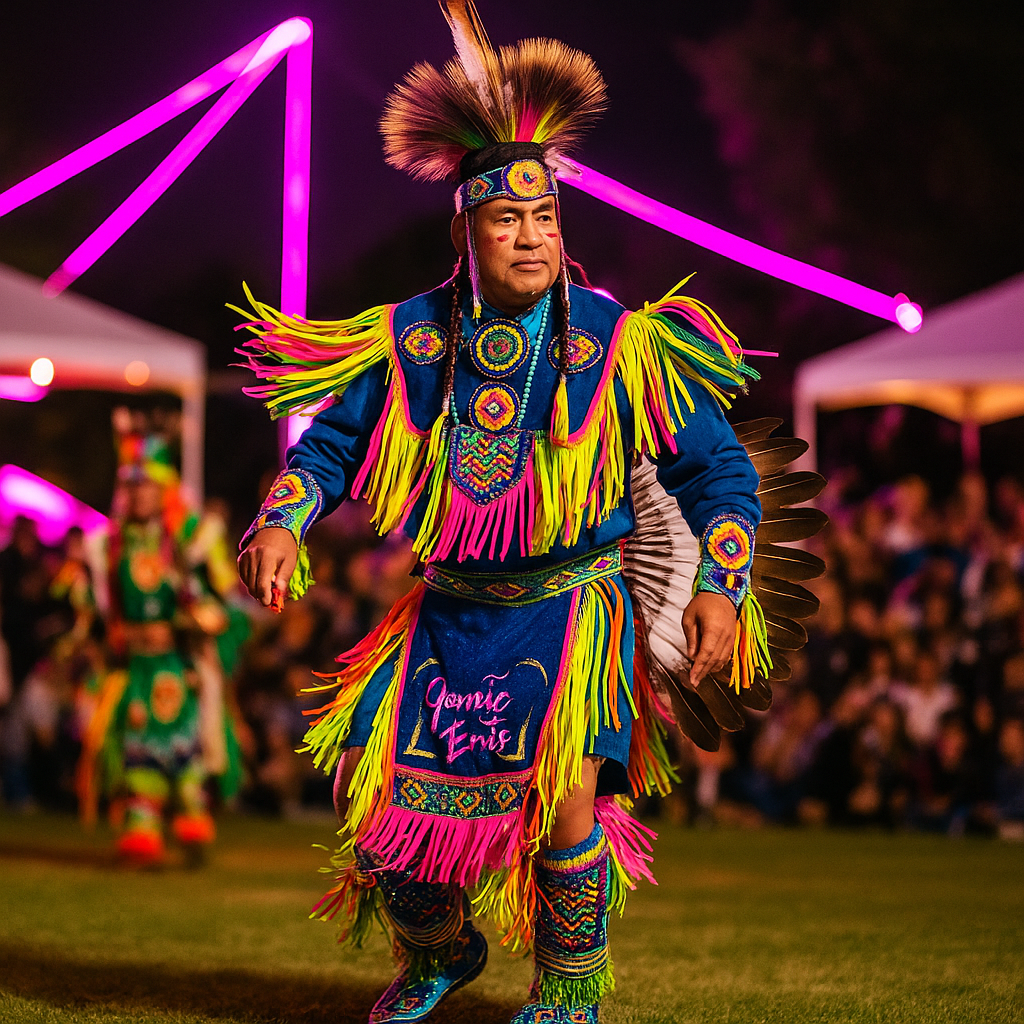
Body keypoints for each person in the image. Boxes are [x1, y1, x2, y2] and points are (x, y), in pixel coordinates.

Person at [236, 4, 774, 1021]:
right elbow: (332, 444)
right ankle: (439, 951)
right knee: (388, 804)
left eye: (544, 218)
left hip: (573, 605)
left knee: (564, 791)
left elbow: (719, 473)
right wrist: (281, 519)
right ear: (465, 229)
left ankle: (570, 989)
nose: (530, 236)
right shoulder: (410, 340)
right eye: (505, 219)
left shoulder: (622, 343)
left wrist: (720, 582)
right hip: (446, 610)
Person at [78, 413, 244, 863]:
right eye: (131, 485)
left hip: (178, 660)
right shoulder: (107, 546)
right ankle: (143, 823)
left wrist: (201, 617)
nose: (138, 494)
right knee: (136, 743)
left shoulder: (187, 538)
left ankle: (191, 814)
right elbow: (93, 608)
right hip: (133, 664)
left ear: (165, 487)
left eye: (147, 484)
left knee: (186, 743)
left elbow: (221, 599)